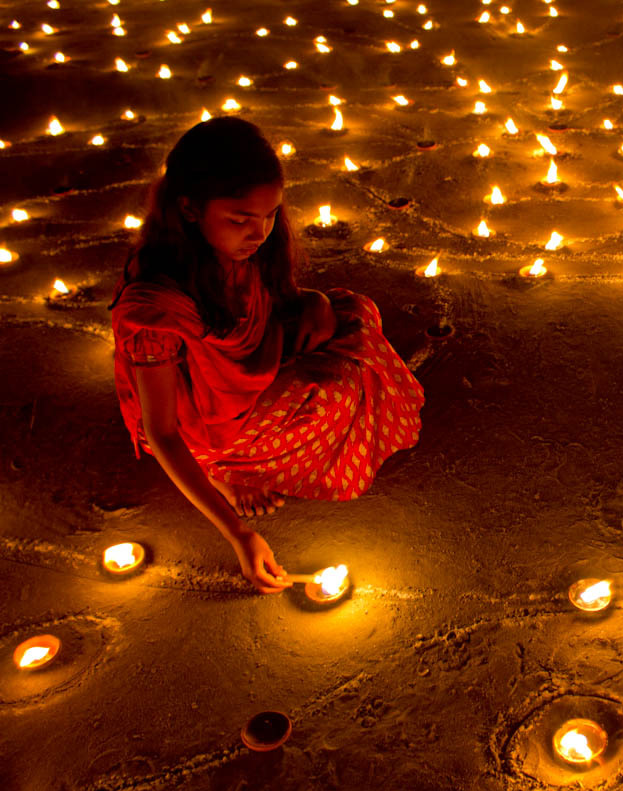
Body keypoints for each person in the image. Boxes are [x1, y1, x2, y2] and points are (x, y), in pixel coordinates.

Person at [110, 117, 424, 592]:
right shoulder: (155, 309)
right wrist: (239, 534)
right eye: (240, 219)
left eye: (270, 215)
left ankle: (245, 454)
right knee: (336, 392)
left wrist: (309, 305)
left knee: (352, 314)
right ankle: (227, 470)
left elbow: (267, 300)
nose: (259, 233)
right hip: (202, 425)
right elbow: (163, 431)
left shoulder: (239, 247)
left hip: (243, 374)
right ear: (190, 209)